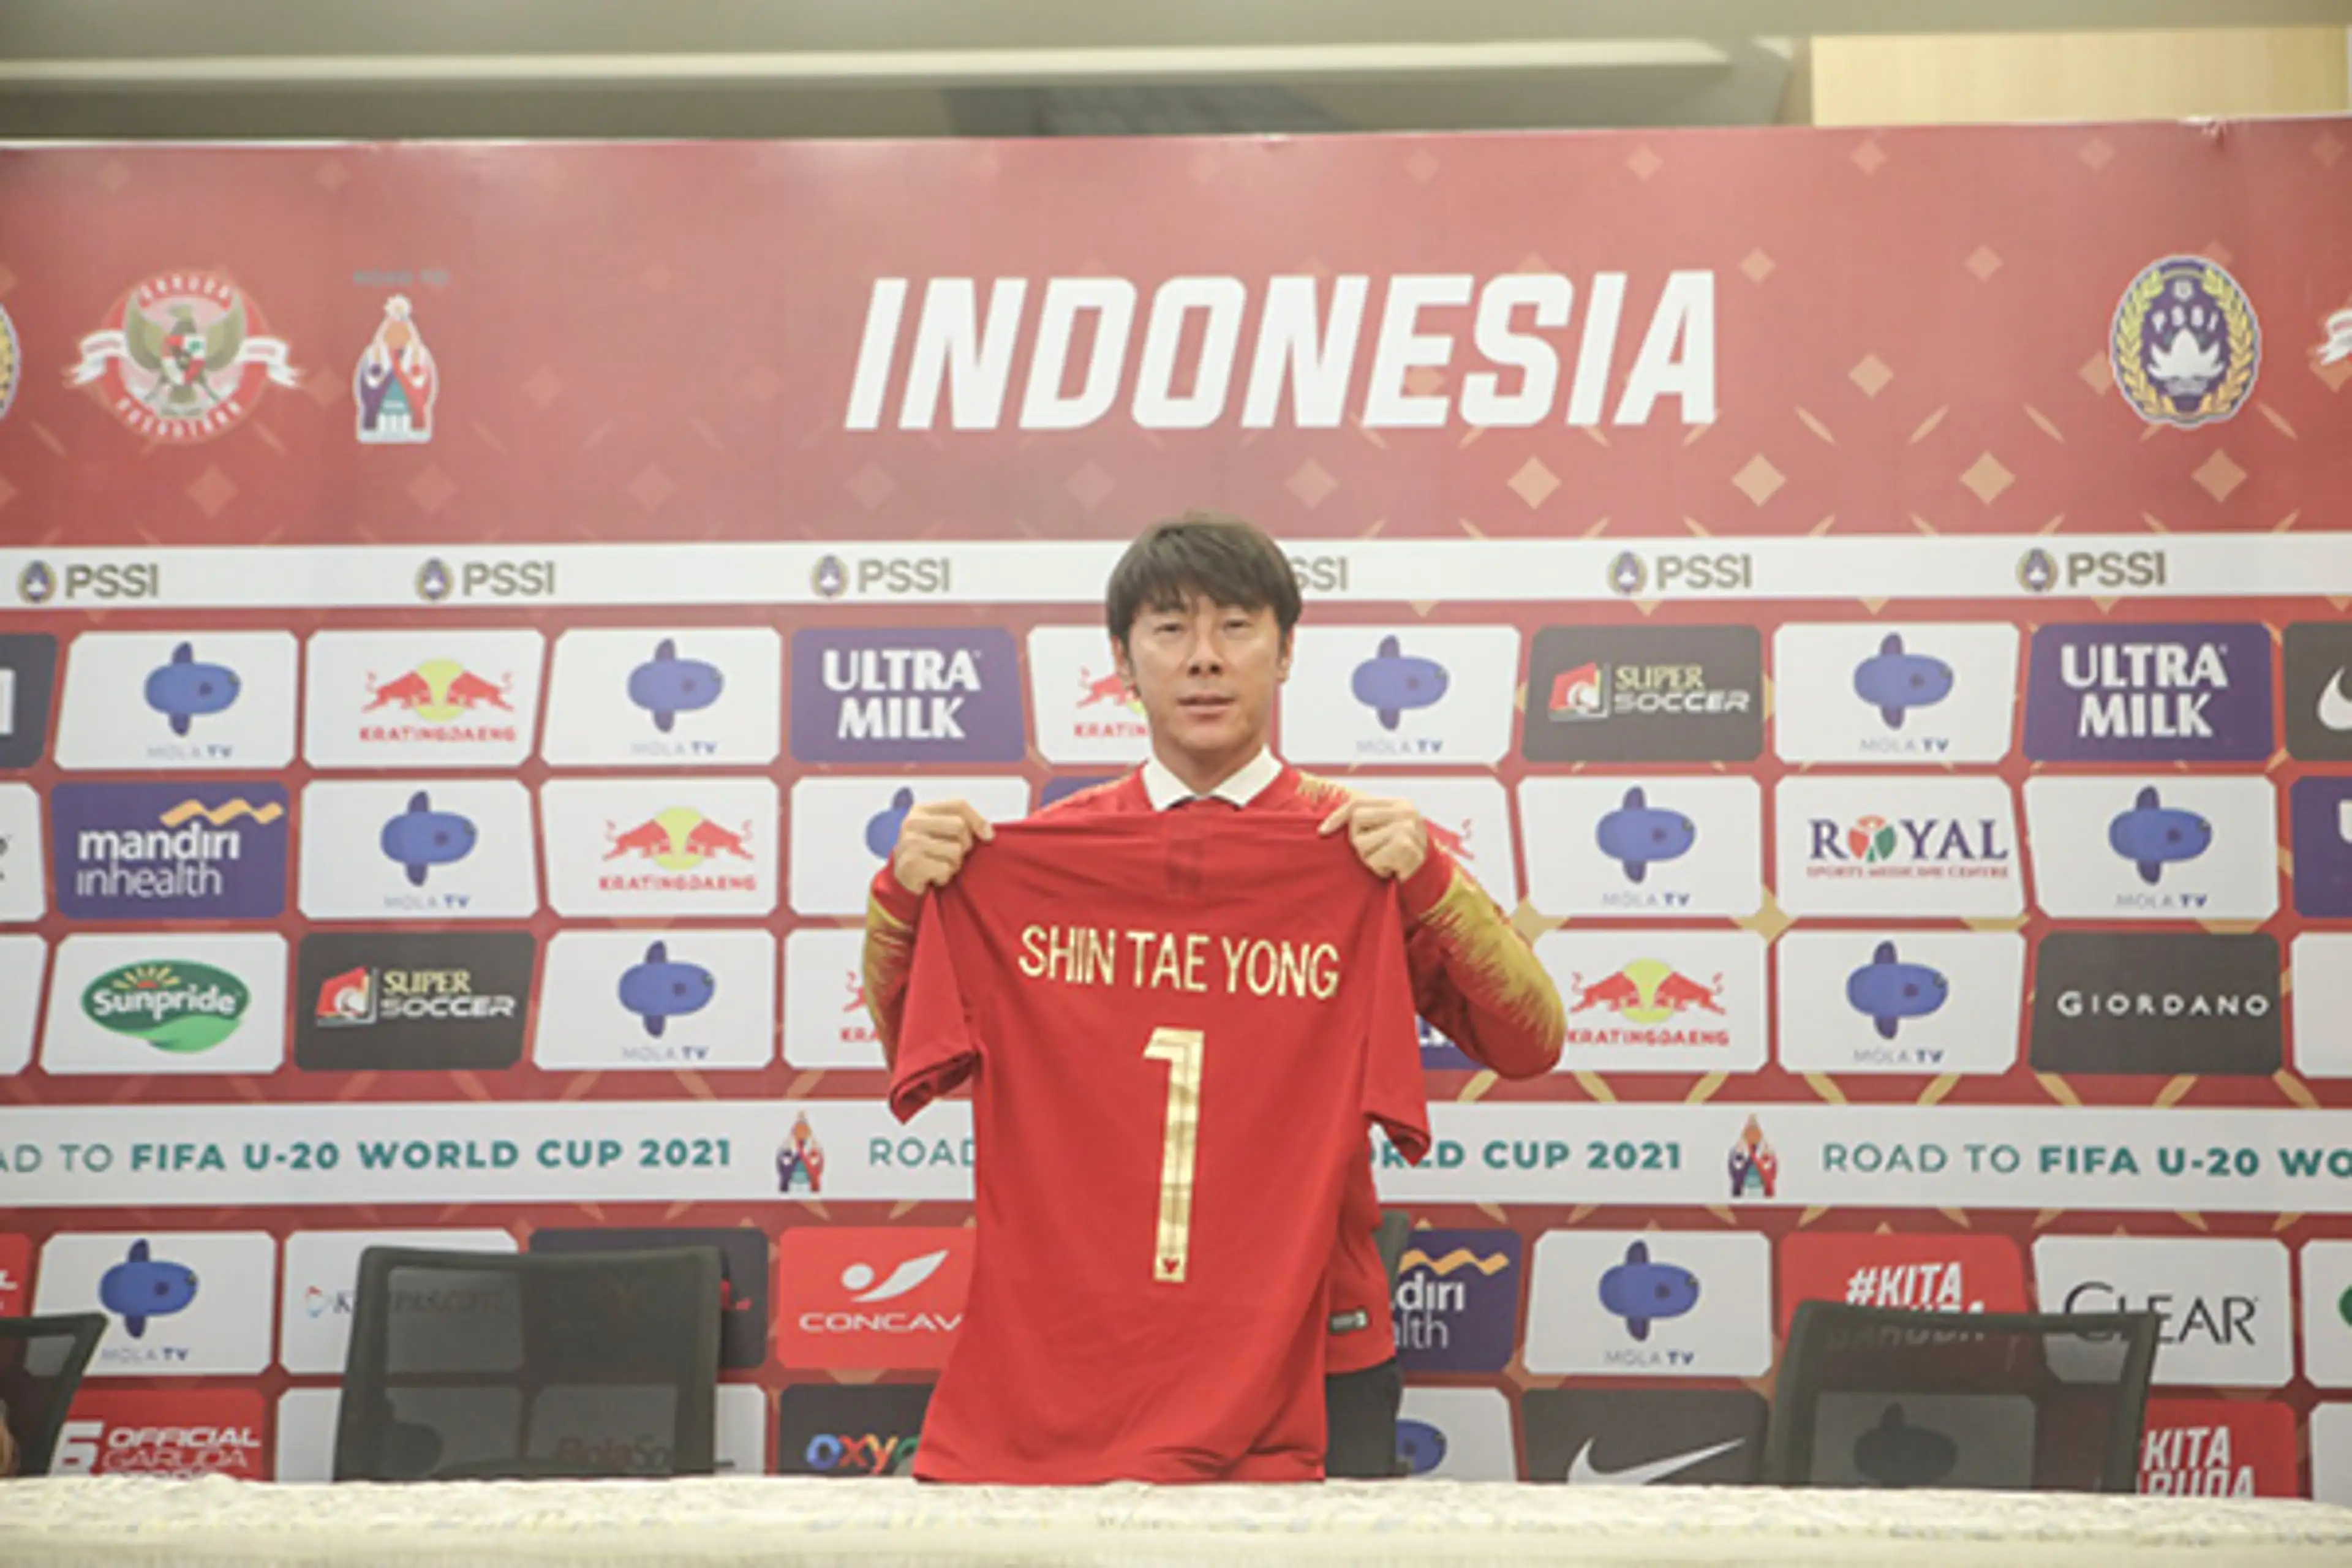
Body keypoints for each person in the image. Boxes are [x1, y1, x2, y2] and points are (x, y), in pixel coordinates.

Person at [861, 510, 1566, 1478]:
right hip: (1090, 1356)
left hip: (1318, 1347)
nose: (1204, 658)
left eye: (1236, 626)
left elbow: (1531, 1042)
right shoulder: (1048, 855)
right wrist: (902, 901)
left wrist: (1435, 883)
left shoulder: (1360, 849)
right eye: (1169, 629)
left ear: (1286, 652)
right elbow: (915, 1049)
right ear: (1122, 661)